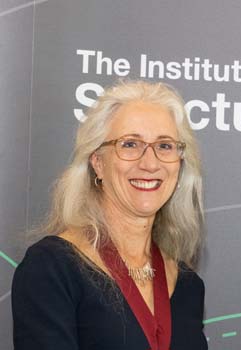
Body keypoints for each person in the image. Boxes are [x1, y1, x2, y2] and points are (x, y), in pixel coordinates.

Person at [12, 81, 208, 350]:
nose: (150, 163)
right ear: (98, 162)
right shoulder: (53, 269)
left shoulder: (188, 285)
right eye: (130, 144)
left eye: (164, 146)